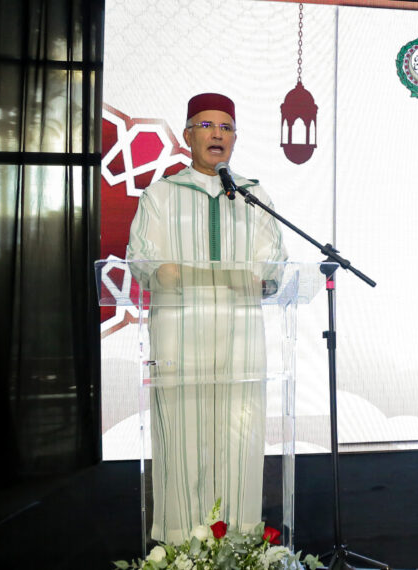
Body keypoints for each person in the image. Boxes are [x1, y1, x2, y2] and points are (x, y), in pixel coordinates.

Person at [127, 93, 288, 542]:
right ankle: (182, 544)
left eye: (226, 127)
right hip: (179, 334)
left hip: (240, 334)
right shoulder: (161, 195)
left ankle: (239, 540)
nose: (217, 134)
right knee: (182, 436)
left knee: (240, 435)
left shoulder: (254, 197)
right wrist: (164, 271)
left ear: (234, 138)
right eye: (206, 125)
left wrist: (261, 277)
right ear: (187, 135)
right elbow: (142, 258)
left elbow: (274, 263)